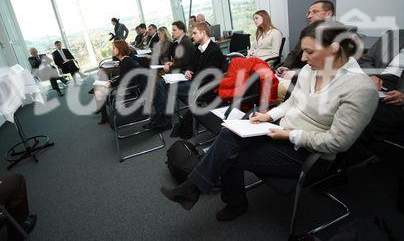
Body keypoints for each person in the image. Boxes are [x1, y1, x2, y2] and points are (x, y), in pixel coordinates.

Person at [160, 21, 378, 222]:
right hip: (281, 133)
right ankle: (195, 188)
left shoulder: (359, 89)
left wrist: (289, 135)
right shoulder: (310, 72)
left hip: (310, 155)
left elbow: (337, 142)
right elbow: (291, 104)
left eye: (309, 52)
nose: (302, 58)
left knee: (229, 153)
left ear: (334, 49)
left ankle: (218, 197)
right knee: (228, 133)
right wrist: (269, 116)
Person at [144, 23, 224, 131]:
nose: (192, 36)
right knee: (163, 83)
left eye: (195, 33)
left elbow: (208, 74)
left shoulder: (214, 50)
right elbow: (192, 64)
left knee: (164, 85)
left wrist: (191, 74)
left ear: (203, 33)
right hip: (193, 79)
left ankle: (162, 120)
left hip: (203, 85)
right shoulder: (198, 47)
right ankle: (162, 119)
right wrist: (189, 70)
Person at [358, 29, 404, 212]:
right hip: (375, 83)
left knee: (359, 114)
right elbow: (367, 59)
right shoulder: (394, 35)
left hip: (397, 98)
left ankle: (333, 166)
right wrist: (372, 74)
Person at [277, 0, 335, 79]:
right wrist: (285, 67)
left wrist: (296, 74)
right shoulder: (308, 31)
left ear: (328, 14)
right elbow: (294, 53)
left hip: (310, 76)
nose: (309, 16)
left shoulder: (338, 34)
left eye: (315, 12)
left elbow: (330, 67)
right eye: (309, 13)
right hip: (295, 71)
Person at [94, 40, 142, 124]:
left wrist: (111, 83)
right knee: (99, 89)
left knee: (99, 90)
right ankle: (104, 114)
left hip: (129, 89)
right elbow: (123, 77)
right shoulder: (126, 60)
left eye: (113, 48)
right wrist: (112, 81)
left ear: (120, 49)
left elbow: (123, 80)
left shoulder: (126, 62)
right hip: (129, 86)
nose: (112, 50)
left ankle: (105, 115)